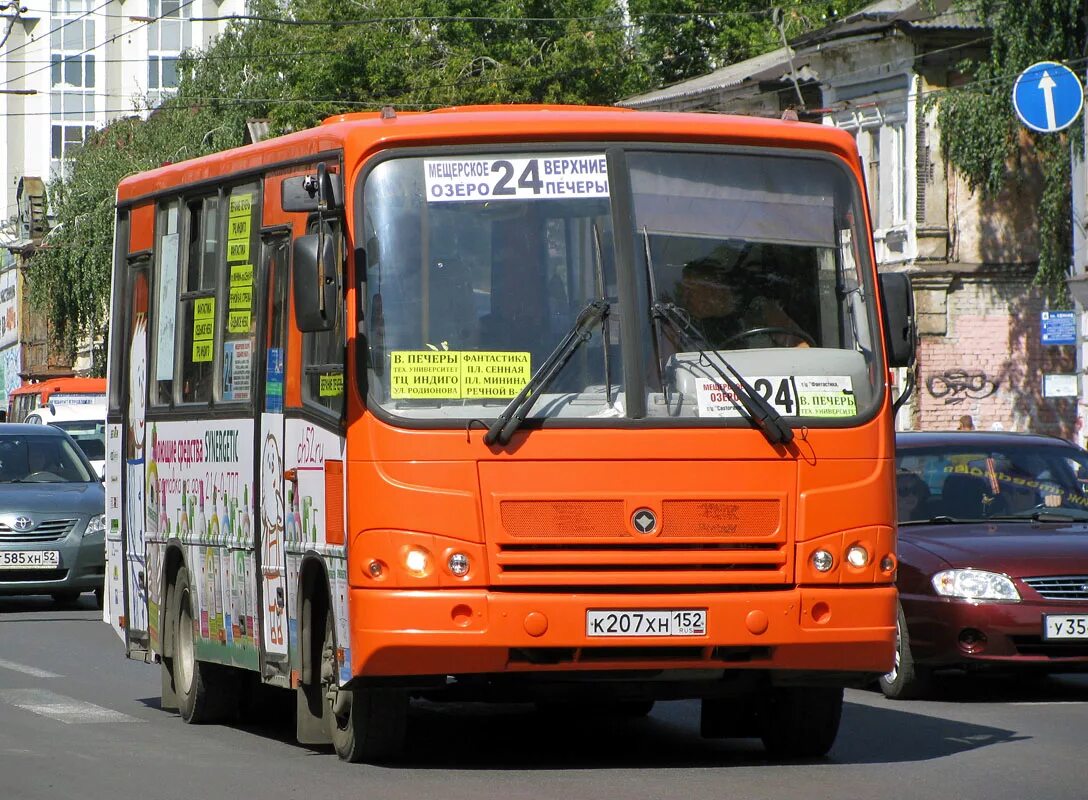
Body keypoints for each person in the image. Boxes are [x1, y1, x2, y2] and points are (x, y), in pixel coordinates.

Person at [674, 258, 811, 349]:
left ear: (714, 290)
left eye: (692, 291)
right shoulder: (684, 325)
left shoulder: (760, 309)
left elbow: (801, 348)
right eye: (684, 291)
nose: (685, 298)